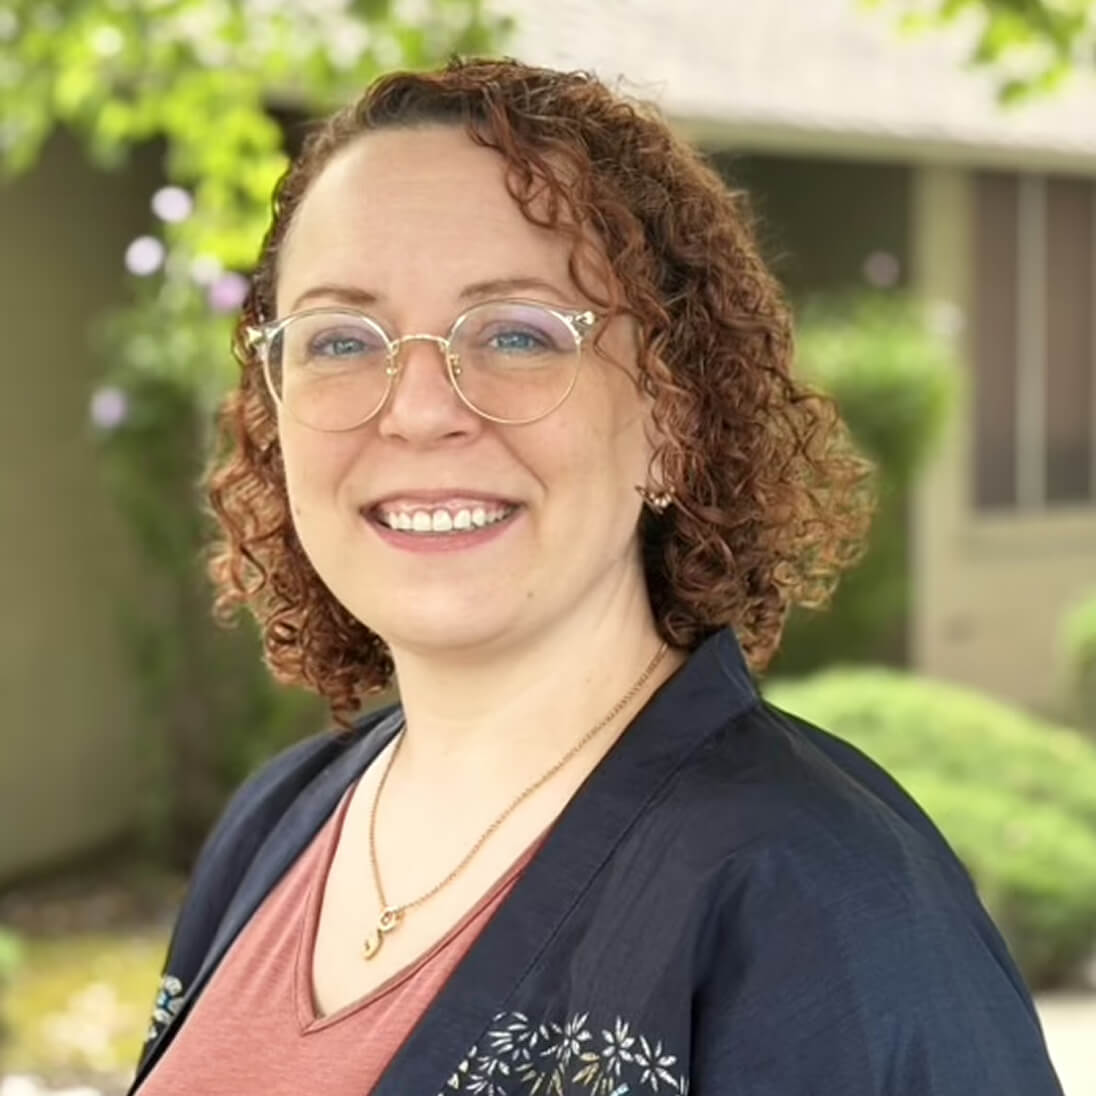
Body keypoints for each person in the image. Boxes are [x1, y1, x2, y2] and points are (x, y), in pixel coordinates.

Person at [129, 58, 1064, 1096]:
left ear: (671, 418)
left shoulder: (820, 897)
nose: (418, 409)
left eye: (516, 333)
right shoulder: (276, 820)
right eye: (341, 339)